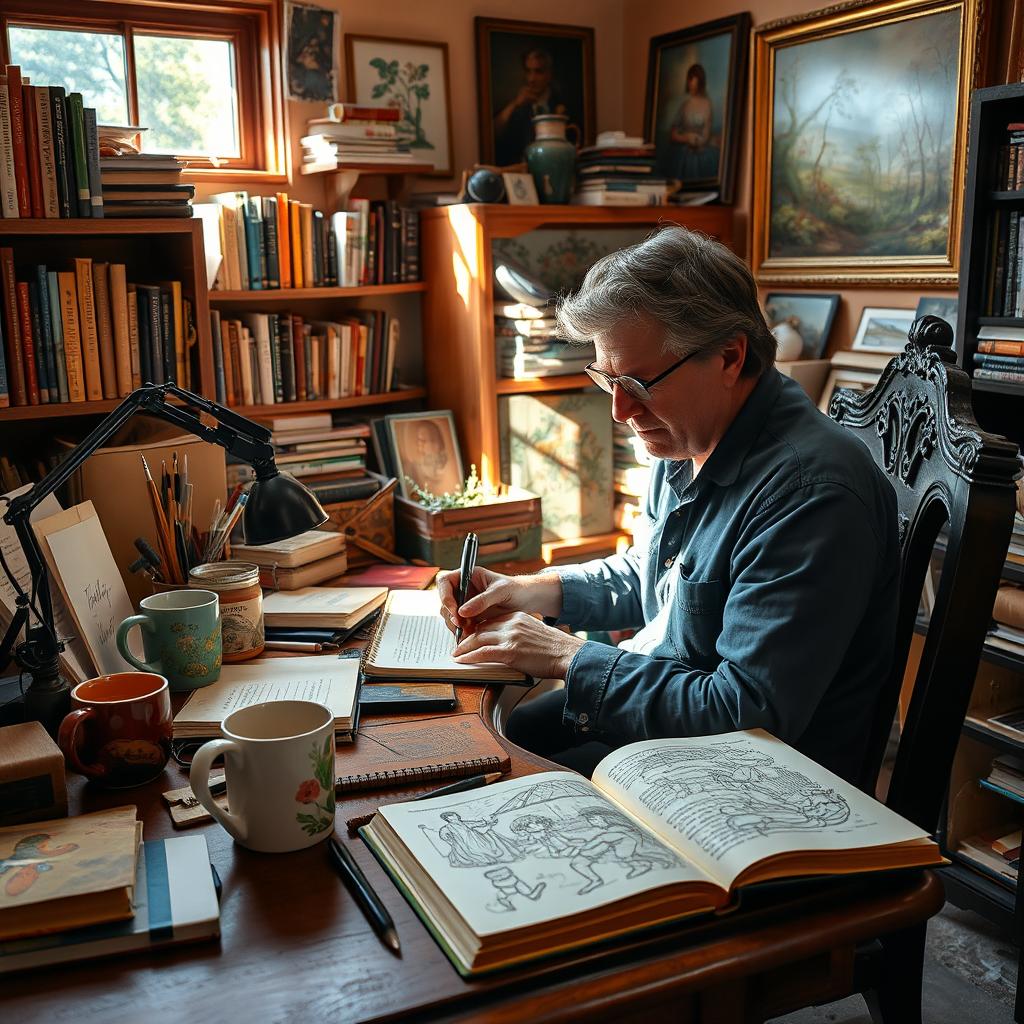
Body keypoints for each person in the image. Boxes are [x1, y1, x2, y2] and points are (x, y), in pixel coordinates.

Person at [438, 226, 900, 784]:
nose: (619, 410)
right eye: (607, 379)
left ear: (730, 357)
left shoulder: (810, 495)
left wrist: (566, 656)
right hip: (675, 715)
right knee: (484, 744)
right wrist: (532, 590)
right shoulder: (688, 434)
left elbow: (744, 712)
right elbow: (656, 573)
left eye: (636, 381)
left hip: (758, 781)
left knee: (499, 781)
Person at [493, 48, 568, 166]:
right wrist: (515, 104)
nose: (531, 79)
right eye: (528, 71)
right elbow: (493, 134)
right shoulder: (516, 106)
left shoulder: (561, 102)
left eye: (538, 72)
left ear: (549, 74)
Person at [667, 63, 717, 182]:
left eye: (694, 81)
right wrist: (686, 138)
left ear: (700, 82)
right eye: (690, 81)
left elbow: (706, 133)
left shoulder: (707, 104)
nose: (691, 84)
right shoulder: (684, 103)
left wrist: (699, 141)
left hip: (701, 153)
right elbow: (673, 134)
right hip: (684, 154)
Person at [399, 419, 461, 496]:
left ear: (436, 444)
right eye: (419, 440)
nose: (420, 444)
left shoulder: (447, 468)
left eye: (423, 440)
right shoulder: (414, 468)